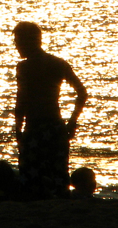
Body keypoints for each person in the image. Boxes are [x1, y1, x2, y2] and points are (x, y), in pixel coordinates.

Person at [12, 21, 88, 199]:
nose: (16, 45)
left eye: (18, 41)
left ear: (27, 42)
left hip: (35, 128)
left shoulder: (24, 67)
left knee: (31, 180)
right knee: (58, 178)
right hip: (56, 127)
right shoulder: (58, 63)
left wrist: (17, 128)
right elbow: (82, 93)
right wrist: (72, 122)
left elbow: (21, 101)